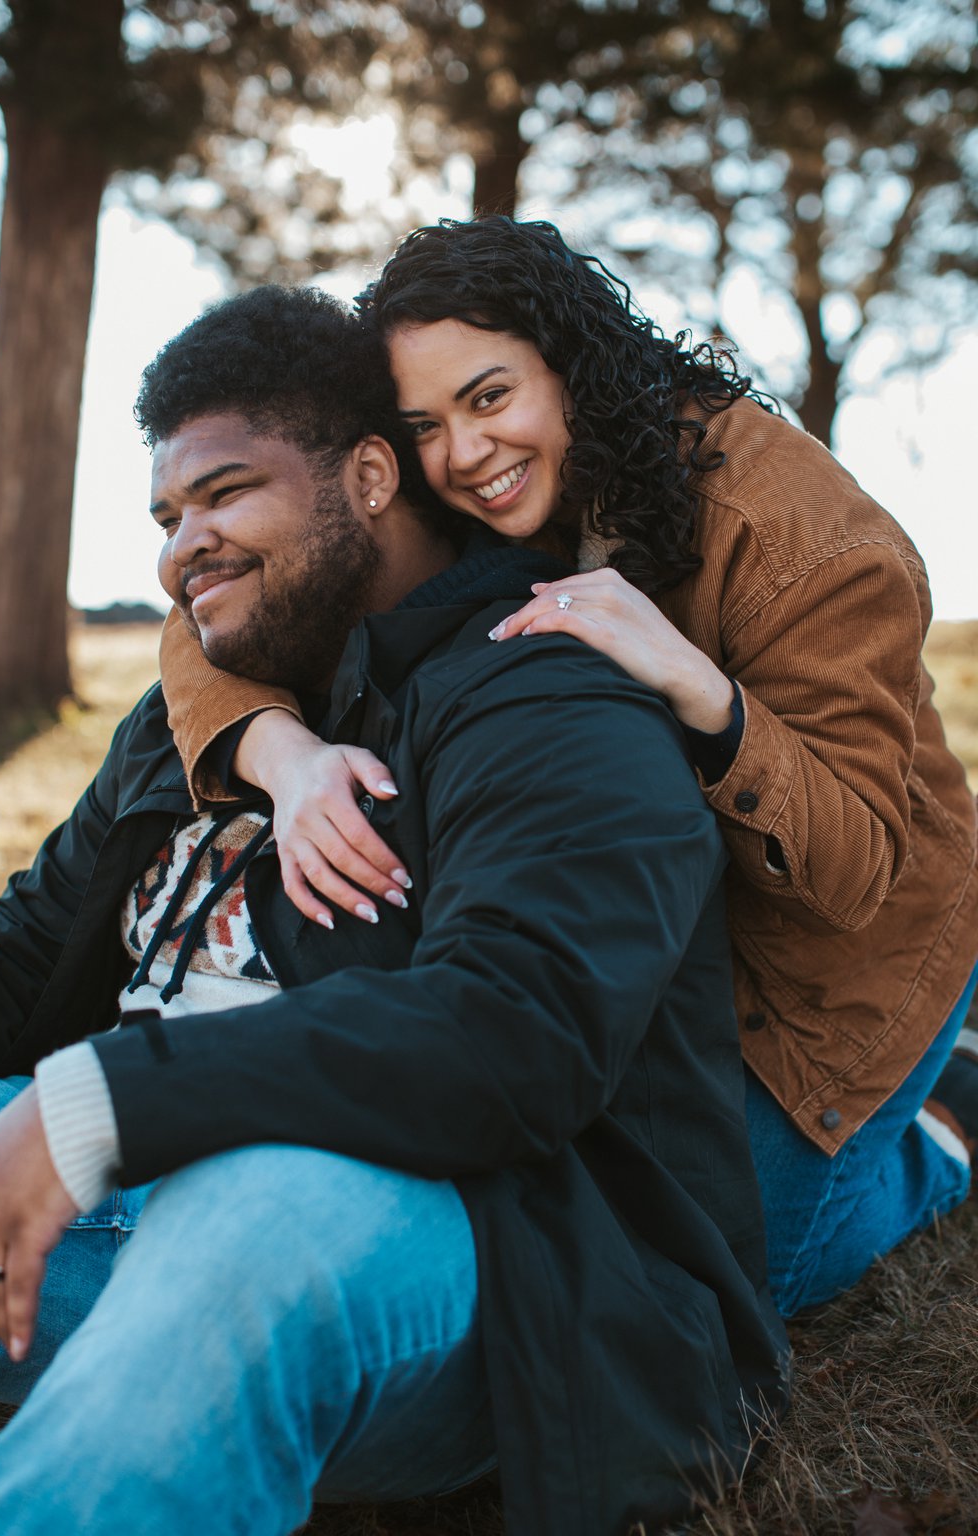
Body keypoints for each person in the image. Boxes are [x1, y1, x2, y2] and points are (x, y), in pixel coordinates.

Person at [0, 285, 788, 1536]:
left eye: (226, 493)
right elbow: (19, 956)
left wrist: (96, 1104)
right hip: (132, 1206)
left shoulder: (539, 689)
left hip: (461, 1264)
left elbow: (518, 1035)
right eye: (169, 516)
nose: (187, 544)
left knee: (250, 1232)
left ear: (368, 477)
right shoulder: (189, 725)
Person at [159, 217, 978, 1320]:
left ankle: (945, 1132)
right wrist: (284, 752)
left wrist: (702, 692)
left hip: (841, 957)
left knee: (728, 1271)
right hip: (638, 911)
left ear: (572, 364)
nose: (461, 456)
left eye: (491, 397)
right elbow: (216, 590)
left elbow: (854, 872)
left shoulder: (806, 539)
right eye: (423, 426)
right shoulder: (457, 479)